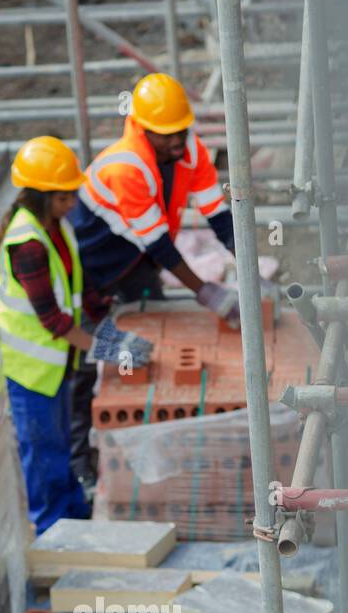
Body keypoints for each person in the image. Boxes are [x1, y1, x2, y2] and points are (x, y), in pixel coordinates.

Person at [67, 73, 242, 476]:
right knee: (89, 359)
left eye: (182, 131)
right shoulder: (126, 167)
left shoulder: (189, 150)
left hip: (136, 262)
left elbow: (217, 212)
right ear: (142, 128)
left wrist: (245, 264)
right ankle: (86, 461)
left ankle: (160, 434)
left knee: (157, 339)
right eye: (167, 136)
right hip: (93, 267)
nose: (178, 142)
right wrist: (207, 293)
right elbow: (160, 246)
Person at [0, 137, 153, 531]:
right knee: (44, 454)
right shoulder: (27, 243)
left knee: (60, 448)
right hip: (30, 373)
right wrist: (111, 348)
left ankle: (76, 521)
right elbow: (53, 321)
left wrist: (109, 324)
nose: (73, 204)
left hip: (54, 366)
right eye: (65, 197)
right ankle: (51, 535)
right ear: (44, 196)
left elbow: (76, 294)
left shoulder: (54, 228)